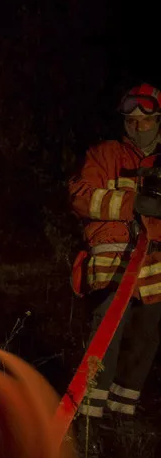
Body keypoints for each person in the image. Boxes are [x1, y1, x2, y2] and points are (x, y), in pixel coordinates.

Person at [69, 83, 161, 427]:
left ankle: (121, 420)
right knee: (105, 337)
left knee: (144, 342)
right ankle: (88, 421)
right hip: (112, 264)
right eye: (131, 120)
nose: (138, 127)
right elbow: (80, 197)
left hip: (155, 269)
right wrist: (132, 203)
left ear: (158, 121)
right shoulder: (104, 154)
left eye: (146, 120)